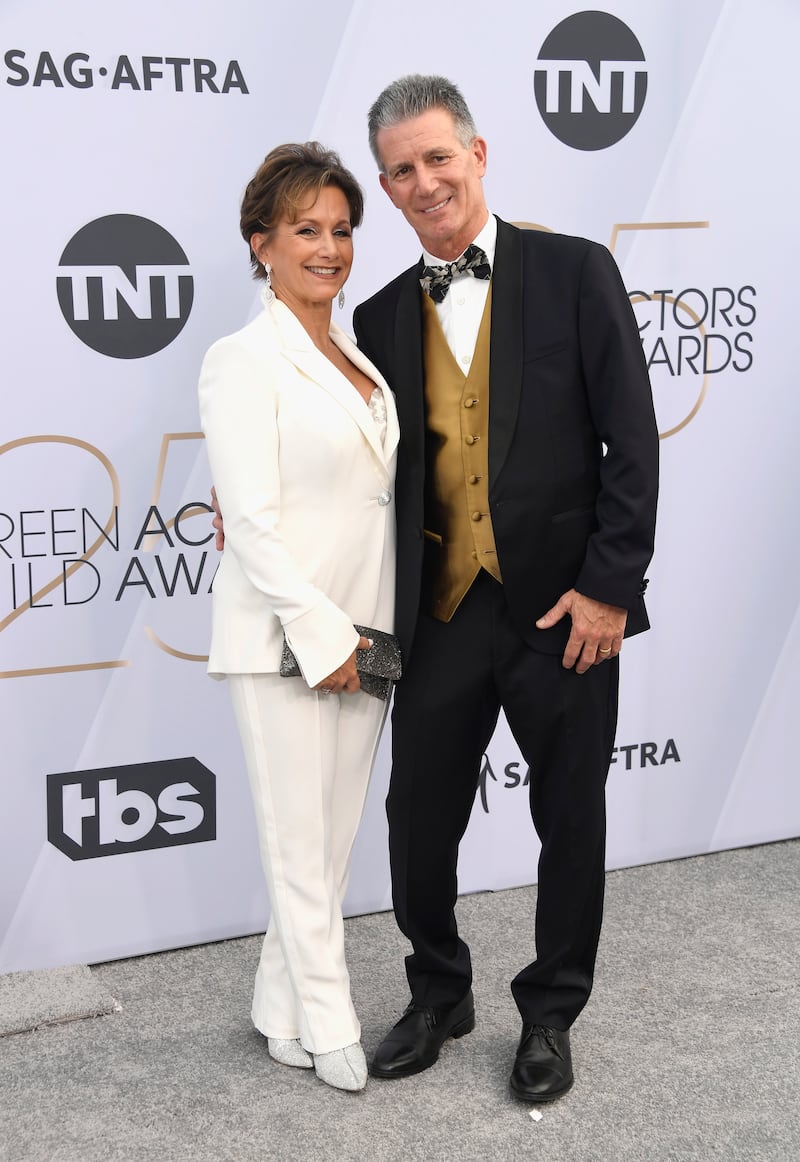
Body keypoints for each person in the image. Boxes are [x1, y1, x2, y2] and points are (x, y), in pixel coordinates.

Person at [349, 75, 659, 1102]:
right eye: (401, 169)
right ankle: (438, 990)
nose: (423, 181)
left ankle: (550, 1010)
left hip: (563, 610)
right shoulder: (380, 312)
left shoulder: (575, 272)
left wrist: (608, 588)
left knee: (569, 812)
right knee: (414, 819)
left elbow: (631, 438)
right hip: (439, 613)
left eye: (438, 157)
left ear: (477, 156)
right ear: (386, 189)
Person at [198, 142, 399, 1093]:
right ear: (261, 245)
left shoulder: (355, 352)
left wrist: (361, 636)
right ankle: (329, 1020)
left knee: (331, 839)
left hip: (373, 636)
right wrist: (321, 638)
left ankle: (276, 1005)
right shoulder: (240, 360)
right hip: (287, 639)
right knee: (298, 839)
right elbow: (253, 527)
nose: (330, 248)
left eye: (342, 230)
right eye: (306, 230)